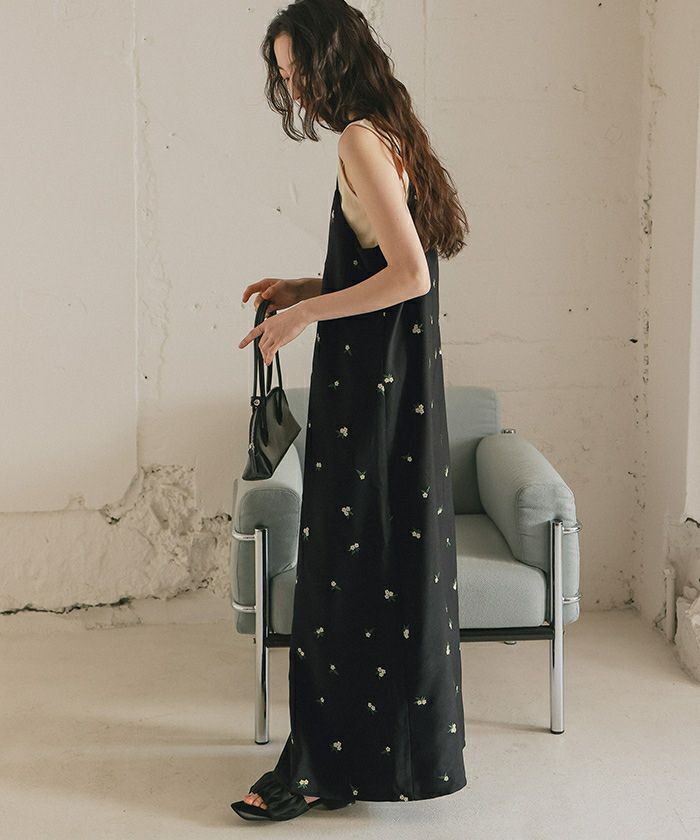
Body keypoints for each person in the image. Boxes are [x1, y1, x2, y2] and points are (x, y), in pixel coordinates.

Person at [231, 0, 470, 822]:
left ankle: (319, 769)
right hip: (391, 386)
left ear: (331, 59)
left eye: (297, 69)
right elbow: (384, 261)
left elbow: (410, 276)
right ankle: (355, 762)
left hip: (366, 393)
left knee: (341, 573)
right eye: (284, 73)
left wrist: (305, 314)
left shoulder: (360, 140)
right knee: (377, 572)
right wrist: (309, 285)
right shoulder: (390, 130)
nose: (293, 86)